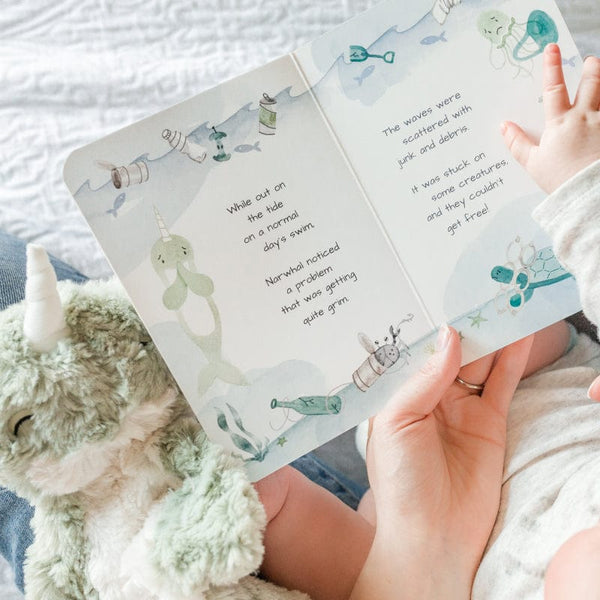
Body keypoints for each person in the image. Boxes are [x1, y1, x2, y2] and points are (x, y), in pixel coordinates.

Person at [1, 42, 599, 600]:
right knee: (509, 315)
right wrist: (579, 186)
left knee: (101, 445)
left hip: (434, 563)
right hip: (525, 385)